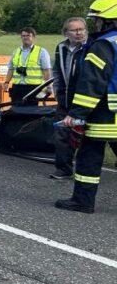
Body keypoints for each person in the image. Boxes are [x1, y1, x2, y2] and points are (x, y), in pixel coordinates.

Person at [56, 0, 117, 213]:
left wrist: (77, 114)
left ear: (109, 21)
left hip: (105, 116)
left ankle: (83, 201)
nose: (96, 25)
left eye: (99, 20)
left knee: (88, 158)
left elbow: (92, 82)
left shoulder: (103, 46)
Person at [51, 17, 89, 181]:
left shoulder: (92, 47)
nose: (79, 33)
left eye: (82, 29)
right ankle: (64, 169)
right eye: (75, 30)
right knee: (62, 135)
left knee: (99, 136)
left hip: (87, 101)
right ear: (66, 32)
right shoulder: (61, 47)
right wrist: (57, 91)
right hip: (65, 100)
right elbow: (57, 72)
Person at [3, 27, 52, 104]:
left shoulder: (41, 52)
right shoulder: (16, 51)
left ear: (33, 37)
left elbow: (47, 71)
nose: (25, 37)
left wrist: (49, 86)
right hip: (17, 87)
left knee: (31, 112)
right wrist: (6, 82)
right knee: (16, 111)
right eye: (23, 36)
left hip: (33, 88)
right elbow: (11, 69)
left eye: (28, 35)